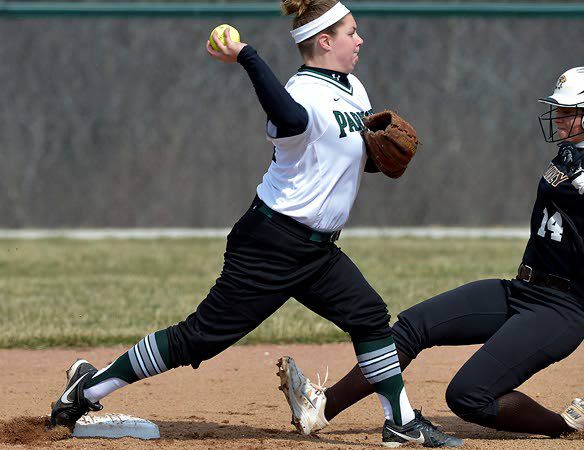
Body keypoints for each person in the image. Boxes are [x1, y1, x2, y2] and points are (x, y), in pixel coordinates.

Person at [49, 0, 462, 447]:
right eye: (351, 32)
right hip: (270, 242)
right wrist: (248, 56)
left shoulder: (355, 90)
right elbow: (289, 120)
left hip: (317, 250)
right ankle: (88, 388)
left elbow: (331, 161)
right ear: (325, 41)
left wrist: (380, 161)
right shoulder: (301, 92)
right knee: (200, 338)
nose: (359, 39)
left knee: (368, 316)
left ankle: (399, 420)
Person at [278, 32, 584, 438]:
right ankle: (320, 410)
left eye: (568, 113)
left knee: (468, 397)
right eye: (559, 111)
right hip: (521, 291)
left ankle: (566, 426)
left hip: (560, 310)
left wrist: (583, 181)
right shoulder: (581, 144)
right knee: (410, 327)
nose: (558, 119)